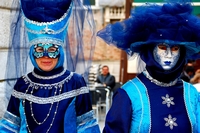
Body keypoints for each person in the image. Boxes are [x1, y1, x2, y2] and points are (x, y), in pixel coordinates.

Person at [97, 0, 200, 132]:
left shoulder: (192, 94)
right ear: (149, 50)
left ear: (182, 53)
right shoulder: (129, 94)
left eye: (174, 48)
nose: (169, 55)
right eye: (162, 47)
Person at [0, 0, 100, 132]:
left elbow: (86, 126)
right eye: (40, 50)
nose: (45, 56)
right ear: (32, 52)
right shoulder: (22, 84)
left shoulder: (75, 83)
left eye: (52, 50)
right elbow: (10, 126)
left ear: (60, 51)